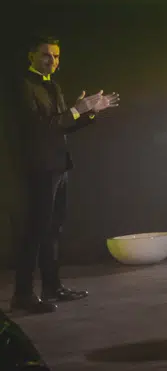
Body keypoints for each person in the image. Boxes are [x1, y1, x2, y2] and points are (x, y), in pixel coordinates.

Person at [8, 36, 119, 314]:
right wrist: (75, 110)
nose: (52, 61)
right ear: (31, 56)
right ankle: (22, 295)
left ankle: (52, 287)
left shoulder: (53, 85)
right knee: (35, 231)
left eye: (56, 56)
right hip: (39, 167)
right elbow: (41, 128)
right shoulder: (22, 85)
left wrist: (89, 113)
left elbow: (62, 126)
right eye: (46, 55)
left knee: (53, 229)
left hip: (59, 165)